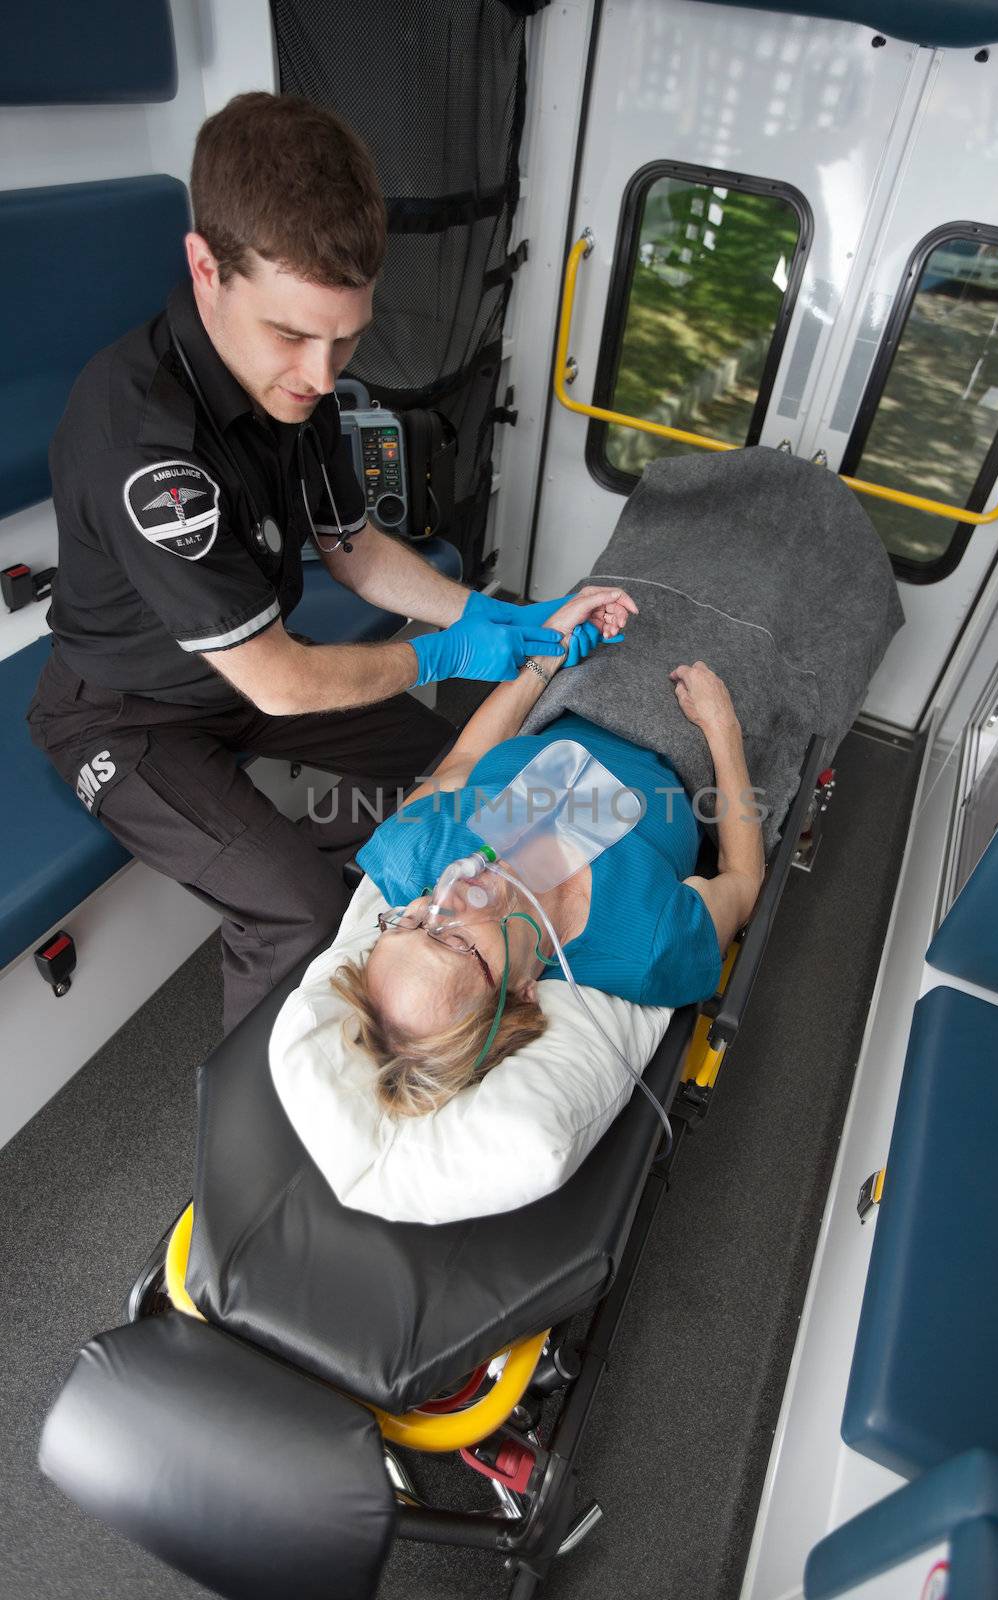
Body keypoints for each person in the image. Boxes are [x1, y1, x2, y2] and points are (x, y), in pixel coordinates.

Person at [26, 91, 619, 1030]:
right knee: (293, 911)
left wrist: (481, 614)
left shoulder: (305, 390)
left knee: (463, 769)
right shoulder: (143, 444)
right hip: (126, 718)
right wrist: (446, 655)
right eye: (292, 334)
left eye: (346, 337)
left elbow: (353, 550)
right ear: (205, 268)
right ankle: (253, 1158)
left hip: (245, 674)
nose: (320, 371)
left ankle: (347, 876)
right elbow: (282, 683)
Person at [332, 587, 766, 1118]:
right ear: (521, 994)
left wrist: (548, 653)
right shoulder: (649, 944)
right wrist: (724, 728)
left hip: (587, 664)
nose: (440, 901)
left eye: (406, 923)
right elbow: (742, 881)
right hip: (693, 716)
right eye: (458, 943)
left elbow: (465, 756)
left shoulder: (414, 851)